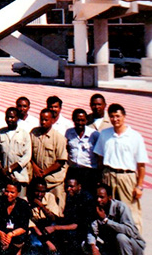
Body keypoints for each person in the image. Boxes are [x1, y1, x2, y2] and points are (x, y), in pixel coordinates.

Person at [93, 103, 147, 232]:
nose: (115, 119)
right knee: (109, 210)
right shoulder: (105, 134)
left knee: (129, 211)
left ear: (124, 116)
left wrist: (139, 186)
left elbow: (141, 165)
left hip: (126, 177)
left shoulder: (135, 136)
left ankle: (134, 241)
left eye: (118, 116)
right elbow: (100, 159)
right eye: (112, 116)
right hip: (108, 175)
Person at [42, 176, 94, 254]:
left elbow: (79, 224)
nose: (68, 189)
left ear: (79, 187)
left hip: (81, 231)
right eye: (67, 186)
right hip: (68, 226)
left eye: (72, 186)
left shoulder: (86, 199)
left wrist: (55, 228)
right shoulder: (69, 196)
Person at [87, 183, 145, 255]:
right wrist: (93, 246)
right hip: (111, 244)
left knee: (121, 238)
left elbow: (130, 230)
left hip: (131, 245)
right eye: (97, 197)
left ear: (110, 197)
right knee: (86, 244)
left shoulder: (121, 207)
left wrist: (106, 220)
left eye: (102, 197)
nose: (98, 200)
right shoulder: (96, 208)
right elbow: (92, 231)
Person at [30, 108, 68, 209]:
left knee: (56, 210)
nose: (43, 122)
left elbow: (61, 161)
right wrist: (35, 168)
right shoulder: (34, 133)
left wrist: (44, 172)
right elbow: (29, 155)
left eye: (46, 120)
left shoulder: (58, 137)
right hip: (38, 182)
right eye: (41, 119)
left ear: (52, 120)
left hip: (54, 181)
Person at [0, 107, 31, 197]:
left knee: (20, 203)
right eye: (7, 117)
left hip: (19, 177)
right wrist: (1, 169)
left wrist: (11, 168)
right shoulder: (0, 133)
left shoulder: (24, 134)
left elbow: (27, 156)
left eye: (12, 117)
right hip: (4, 177)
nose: (9, 119)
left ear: (17, 118)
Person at [65, 108, 100, 193]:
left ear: (86, 120)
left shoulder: (94, 135)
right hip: (73, 171)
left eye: (82, 120)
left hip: (89, 172)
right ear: (73, 119)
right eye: (77, 120)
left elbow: (99, 155)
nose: (80, 123)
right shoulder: (68, 133)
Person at [0, 181, 30, 255]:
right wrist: (0, 233)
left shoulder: (23, 205)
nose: (9, 194)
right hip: (1, 234)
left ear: (18, 193)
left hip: (15, 235)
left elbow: (24, 227)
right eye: (7, 191)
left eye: (12, 192)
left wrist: (10, 235)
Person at [27, 178, 62, 254]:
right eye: (37, 191)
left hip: (48, 228)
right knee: (36, 244)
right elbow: (32, 226)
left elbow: (53, 218)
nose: (40, 194)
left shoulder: (50, 197)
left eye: (42, 192)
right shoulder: (25, 201)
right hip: (35, 230)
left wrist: (42, 206)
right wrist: (46, 241)